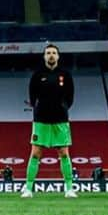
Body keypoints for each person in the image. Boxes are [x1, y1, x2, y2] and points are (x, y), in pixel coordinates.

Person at [22, 44, 76, 198]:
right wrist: (39, 107)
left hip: (60, 120)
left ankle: (69, 189)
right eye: (48, 53)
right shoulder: (37, 75)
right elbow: (32, 96)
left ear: (58, 56)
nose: (51, 55)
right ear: (44, 56)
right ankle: (28, 189)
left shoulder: (65, 75)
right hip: (41, 120)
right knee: (35, 154)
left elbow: (70, 97)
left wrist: (63, 107)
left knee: (64, 154)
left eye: (53, 53)